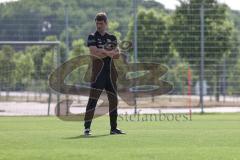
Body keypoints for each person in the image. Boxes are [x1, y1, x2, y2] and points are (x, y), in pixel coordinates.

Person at [84, 12, 125, 136]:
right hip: (98, 73)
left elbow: (117, 54)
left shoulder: (112, 38)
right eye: (97, 23)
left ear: (106, 24)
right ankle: (87, 128)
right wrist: (108, 52)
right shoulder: (92, 36)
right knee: (93, 100)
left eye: (101, 23)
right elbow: (94, 52)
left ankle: (114, 128)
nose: (98, 26)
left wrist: (103, 51)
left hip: (111, 73)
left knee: (113, 100)